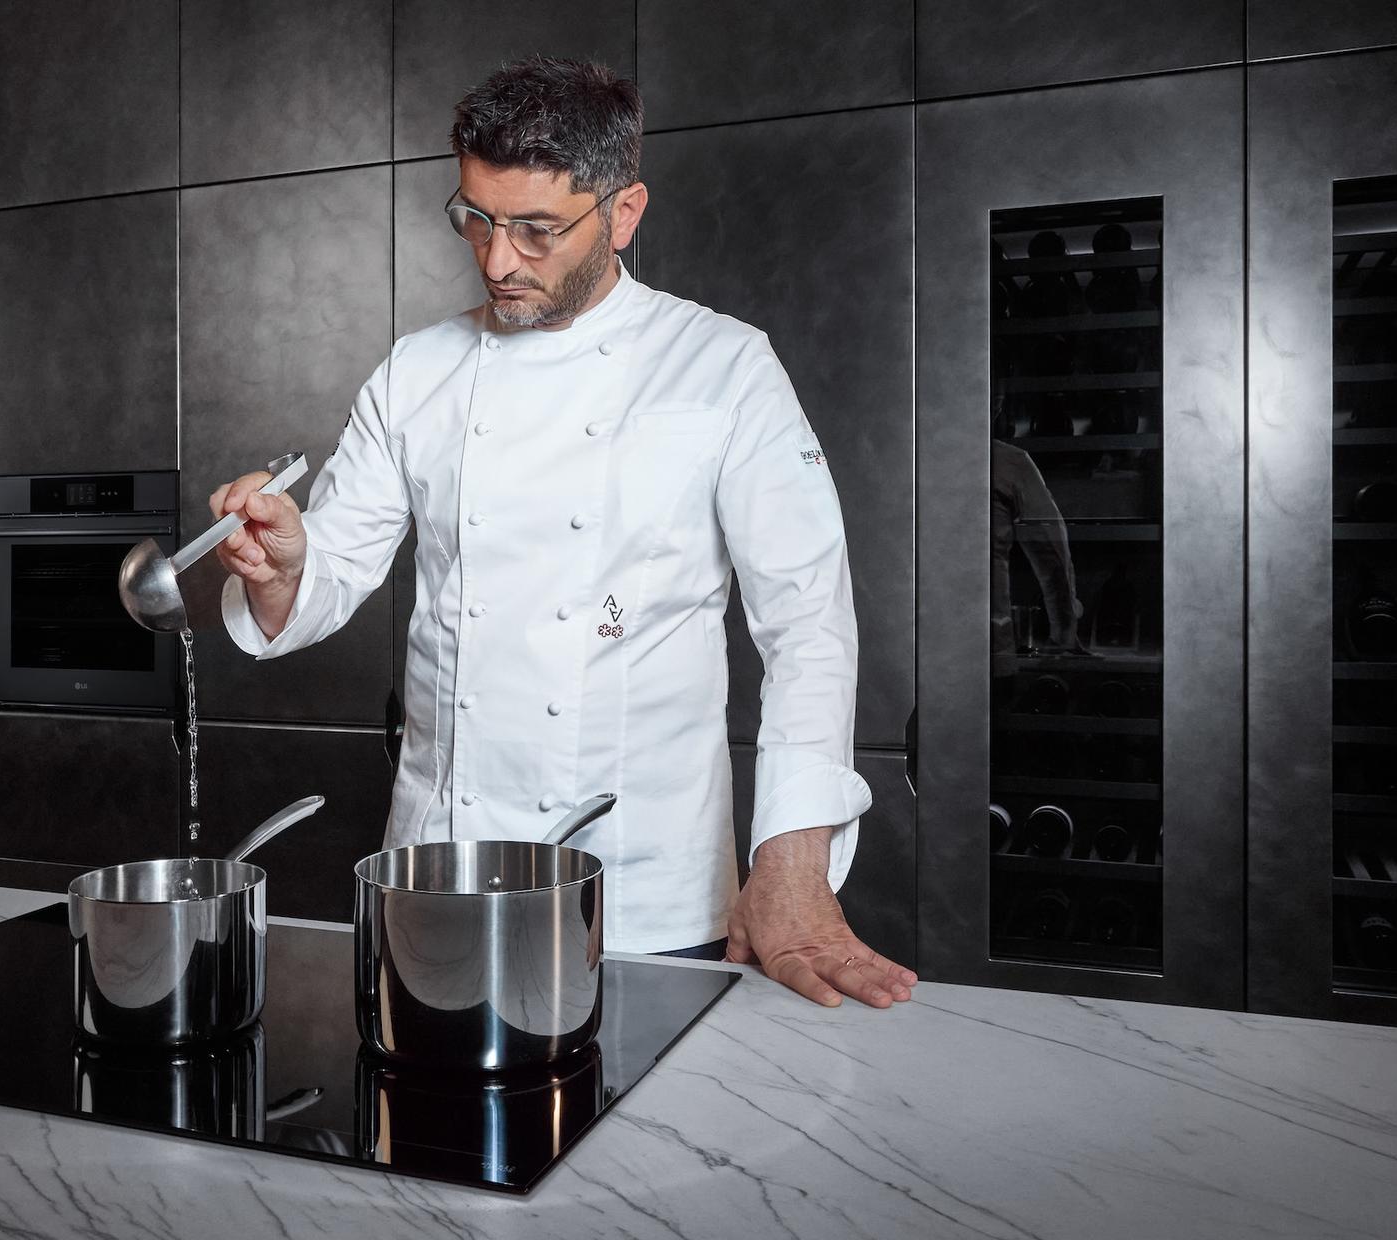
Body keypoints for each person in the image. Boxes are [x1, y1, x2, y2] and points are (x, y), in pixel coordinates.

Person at [209, 57, 916, 1009]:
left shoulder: (724, 368)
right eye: (477, 219)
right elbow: (326, 573)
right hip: (437, 873)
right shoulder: (417, 372)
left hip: (644, 898)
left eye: (537, 230)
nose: (498, 260)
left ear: (623, 214)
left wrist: (793, 859)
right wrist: (281, 568)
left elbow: (808, 625)